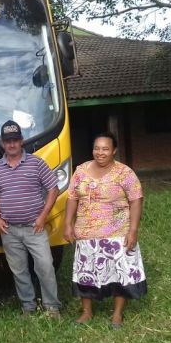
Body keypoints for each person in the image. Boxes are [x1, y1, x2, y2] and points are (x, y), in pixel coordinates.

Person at [64, 132, 146, 329]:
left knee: (120, 273)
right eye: (97, 148)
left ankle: (117, 314)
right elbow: (72, 197)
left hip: (117, 233)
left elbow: (136, 199)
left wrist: (133, 230)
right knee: (86, 274)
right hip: (86, 234)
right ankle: (86, 312)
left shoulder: (124, 173)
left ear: (114, 151)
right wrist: (68, 223)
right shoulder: (81, 171)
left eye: (105, 149)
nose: (100, 153)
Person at [0, 120, 62, 317]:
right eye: (7, 141)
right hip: (9, 230)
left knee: (45, 266)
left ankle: (52, 307)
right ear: (3, 143)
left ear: (21, 141)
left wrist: (42, 216)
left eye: (15, 140)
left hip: (35, 227)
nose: (11, 144)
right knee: (19, 271)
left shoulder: (37, 163)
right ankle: (28, 307)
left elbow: (53, 189)